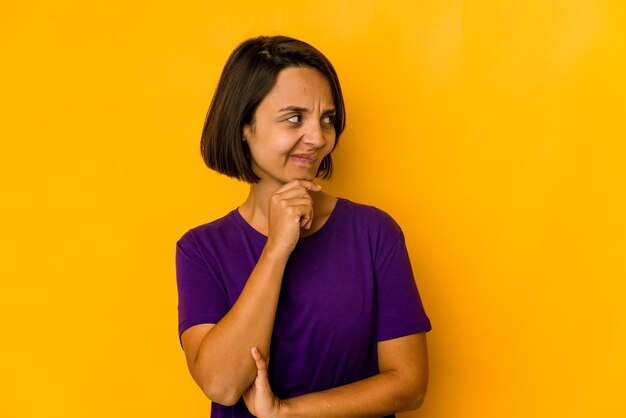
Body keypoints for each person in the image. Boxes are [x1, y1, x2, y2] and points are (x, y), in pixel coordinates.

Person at [175, 35, 432, 418]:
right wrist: (277, 249)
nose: (318, 138)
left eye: (327, 119)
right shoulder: (201, 249)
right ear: (244, 125)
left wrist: (286, 412)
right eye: (294, 117)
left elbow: (408, 385)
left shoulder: (374, 233)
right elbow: (222, 385)